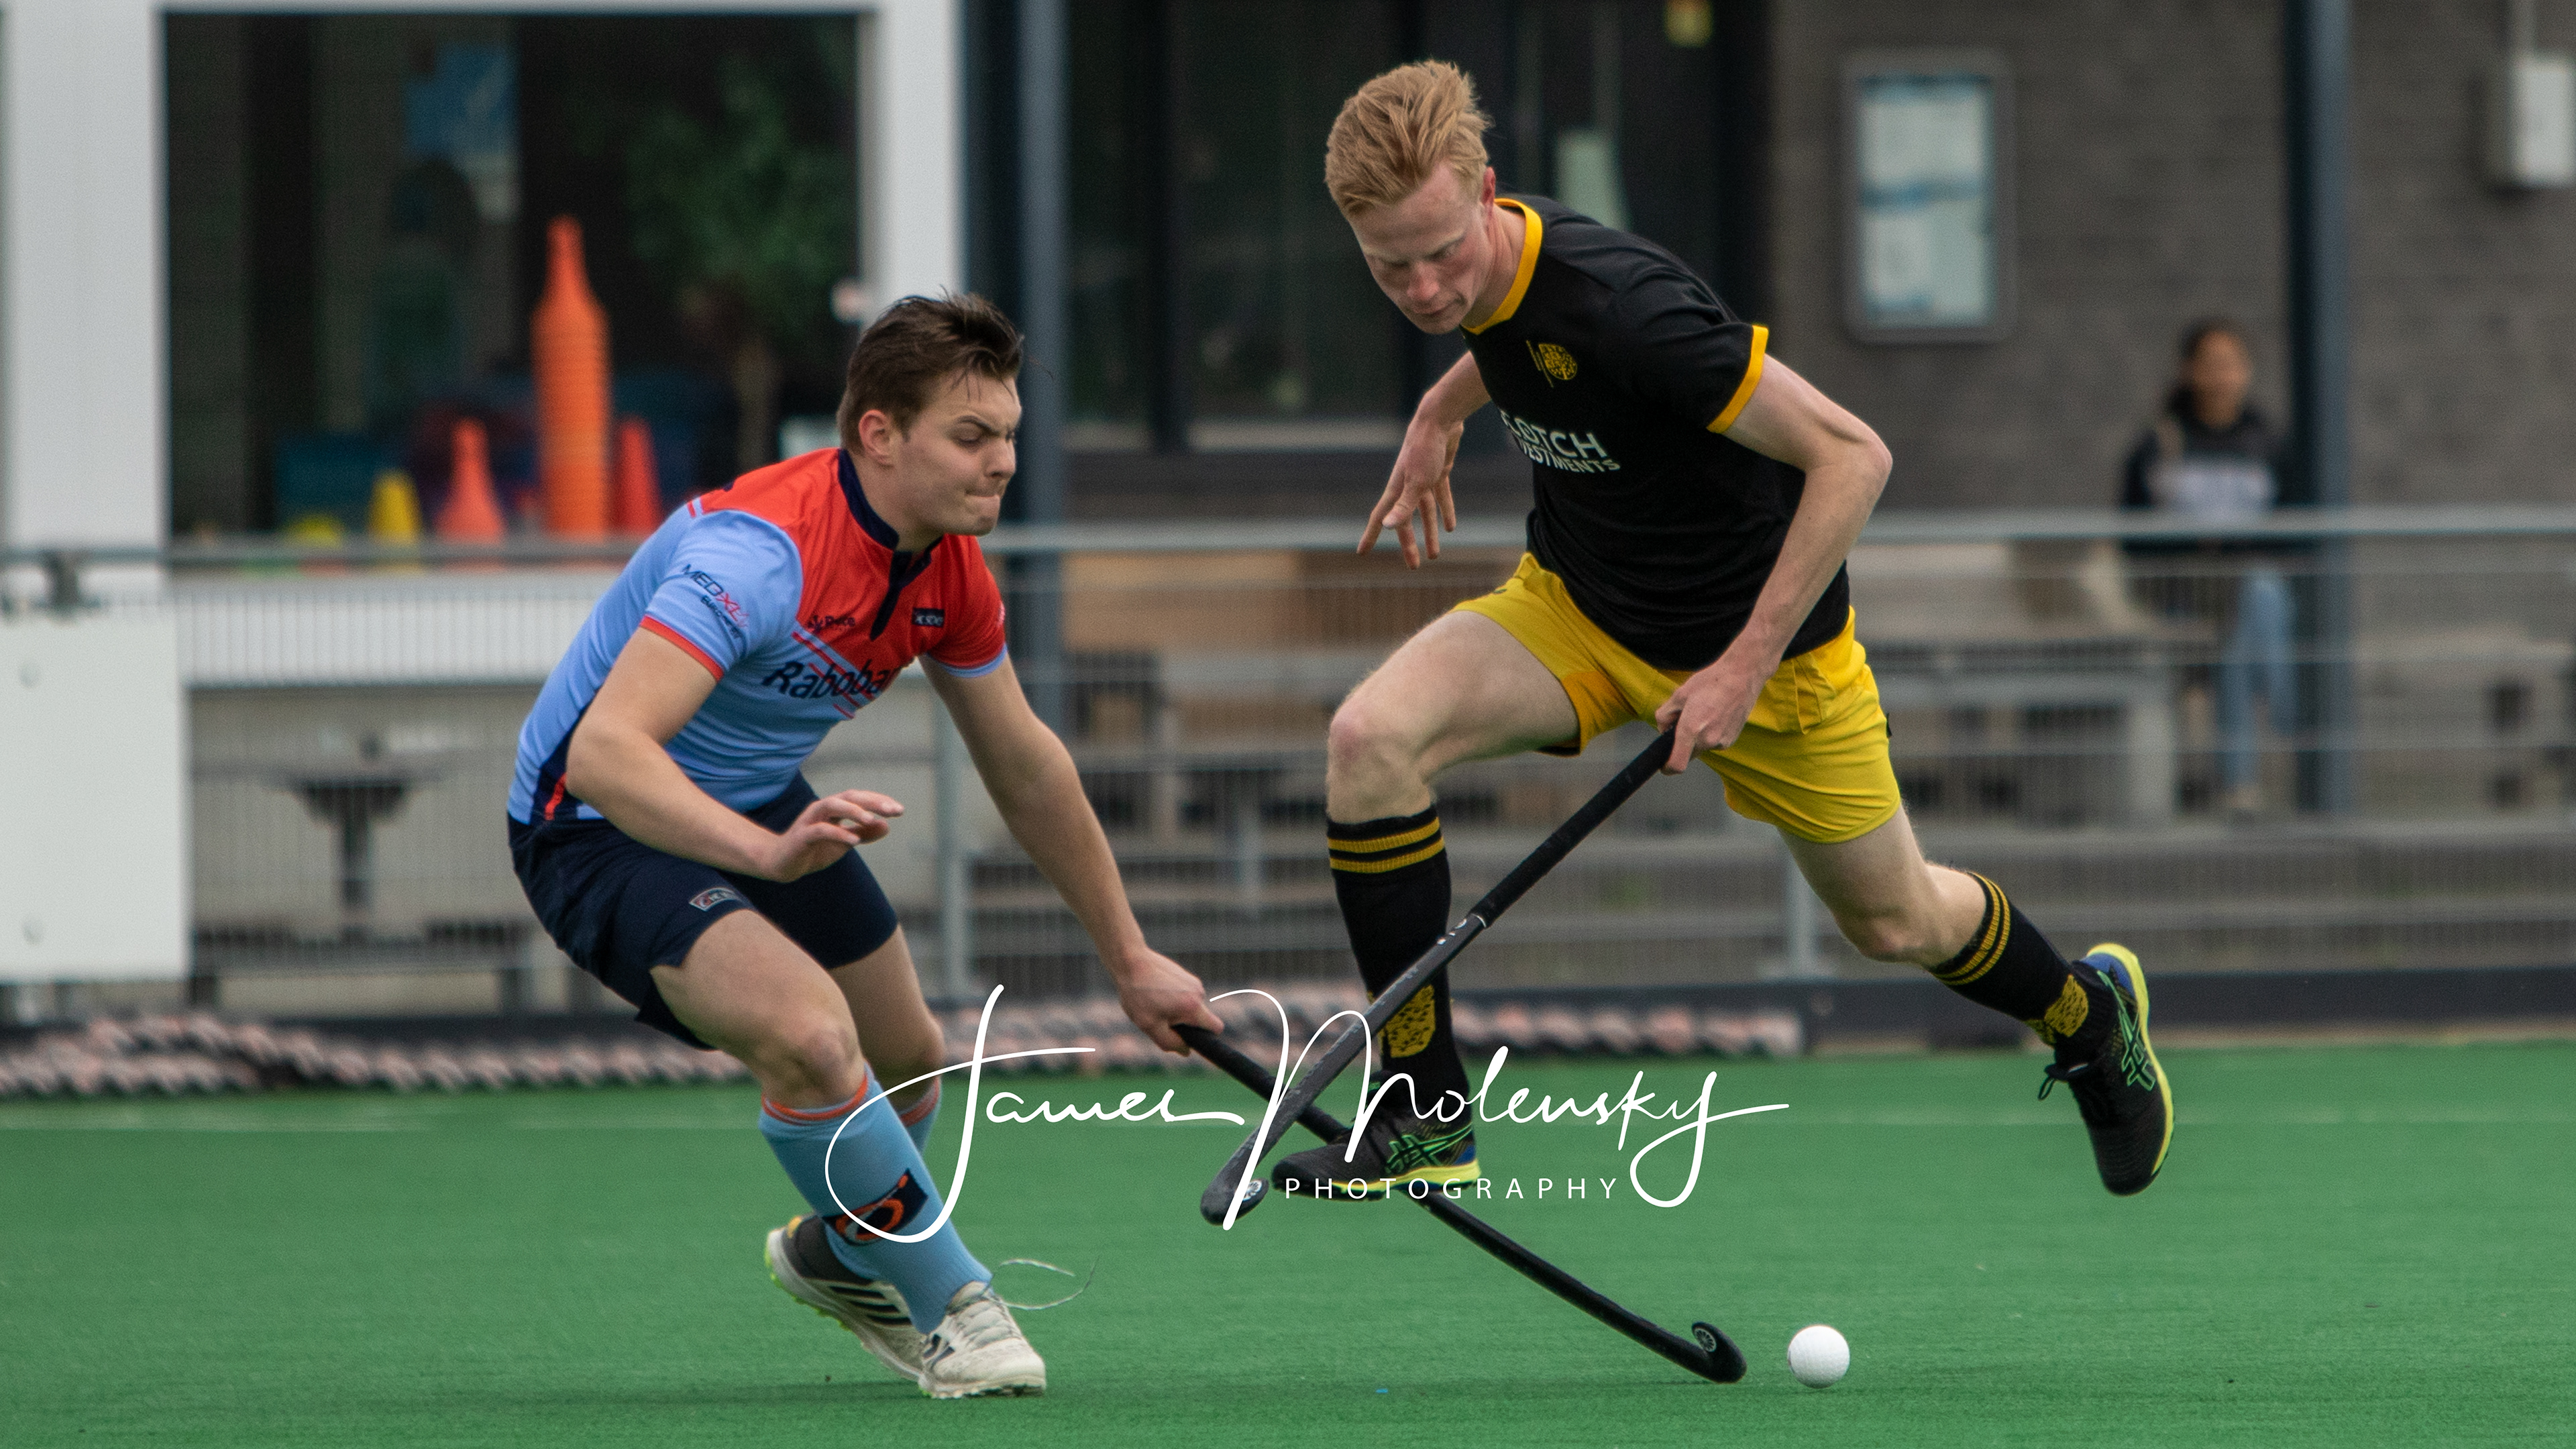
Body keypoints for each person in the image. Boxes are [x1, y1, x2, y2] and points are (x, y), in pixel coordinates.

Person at [1274, 62, 2171, 1201]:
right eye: (1388, 265)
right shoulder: (1489, 266)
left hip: (1770, 657)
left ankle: (2087, 1014)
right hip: (1577, 609)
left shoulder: (1630, 308)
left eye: (1442, 252)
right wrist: (1438, 410)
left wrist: (1744, 664)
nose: (1422, 286)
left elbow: (1854, 457)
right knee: (1369, 742)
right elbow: (1506, 329)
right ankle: (1425, 1114)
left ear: (1487, 192)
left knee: (1896, 921)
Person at [504, 294, 1220, 1398]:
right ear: (880, 434)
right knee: (809, 1036)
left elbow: (1025, 768)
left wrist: (1129, 960)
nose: (1002, 463)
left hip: (755, 806)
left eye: (1008, 436)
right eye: (971, 437)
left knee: (909, 1059)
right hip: (594, 827)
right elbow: (604, 756)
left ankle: (840, 1255)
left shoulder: (949, 571)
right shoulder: (757, 555)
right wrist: (761, 856)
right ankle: (957, 1307)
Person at [2120, 319, 2298, 816]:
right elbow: (2132, 532)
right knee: (2248, 611)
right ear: (2189, 371)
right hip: (2183, 594)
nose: (2223, 377)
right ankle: (2292, 723)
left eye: (2233, 365)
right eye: (2212, 365)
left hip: (2247, 596)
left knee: (2245, 619)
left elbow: (2294, 528)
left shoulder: (2268, 443)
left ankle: (2242, 783)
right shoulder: (2162, 443)